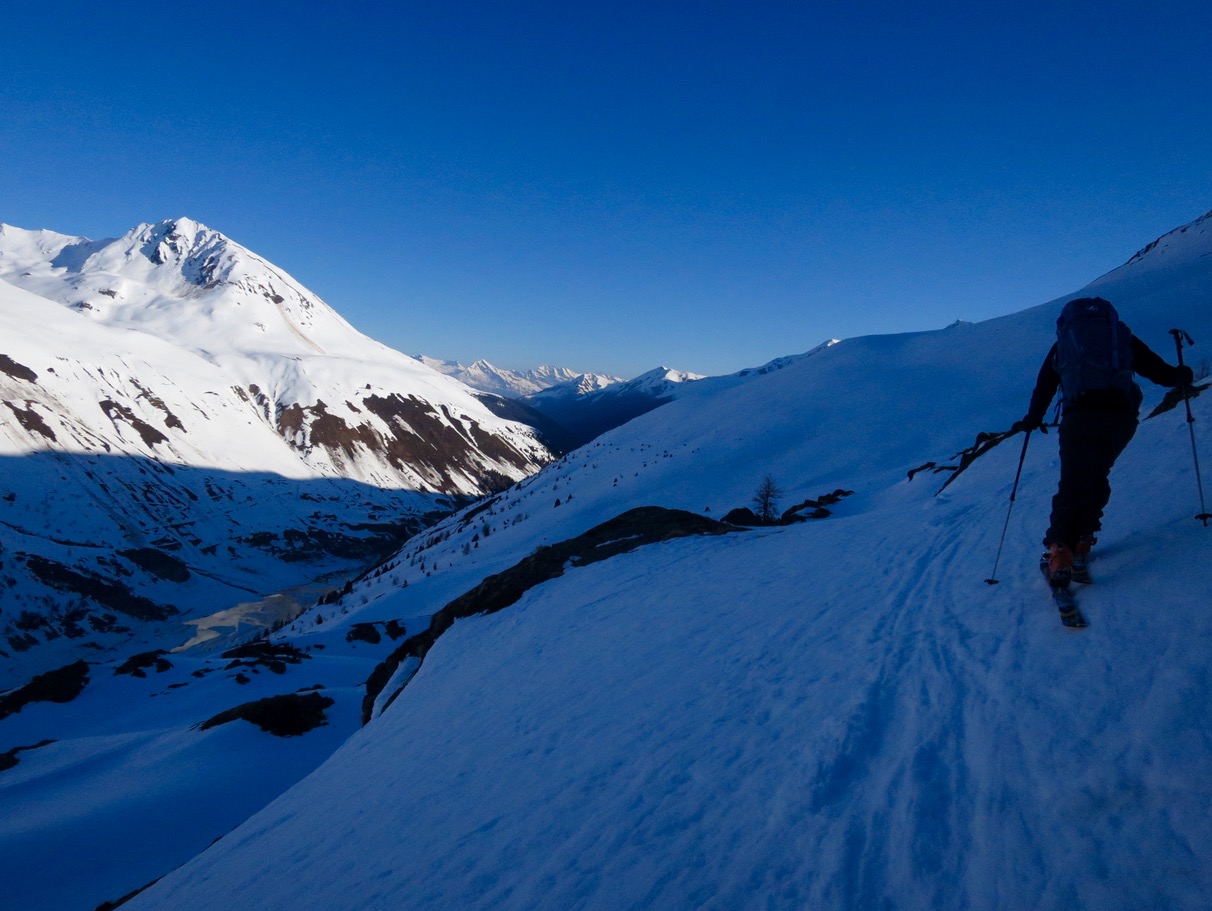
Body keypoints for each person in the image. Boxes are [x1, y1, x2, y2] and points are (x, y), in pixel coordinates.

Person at [1014, 297, 1192, 587]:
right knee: (1097, 474)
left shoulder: (1064, 345)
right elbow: (1163, 375)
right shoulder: (1121, 339)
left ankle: (1059, 550)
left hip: (1079, 418)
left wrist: (1033, 418)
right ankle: (1083, 540)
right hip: (1119, 419)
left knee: (1072, 481)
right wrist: (1182, 375)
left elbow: (1045, 385)